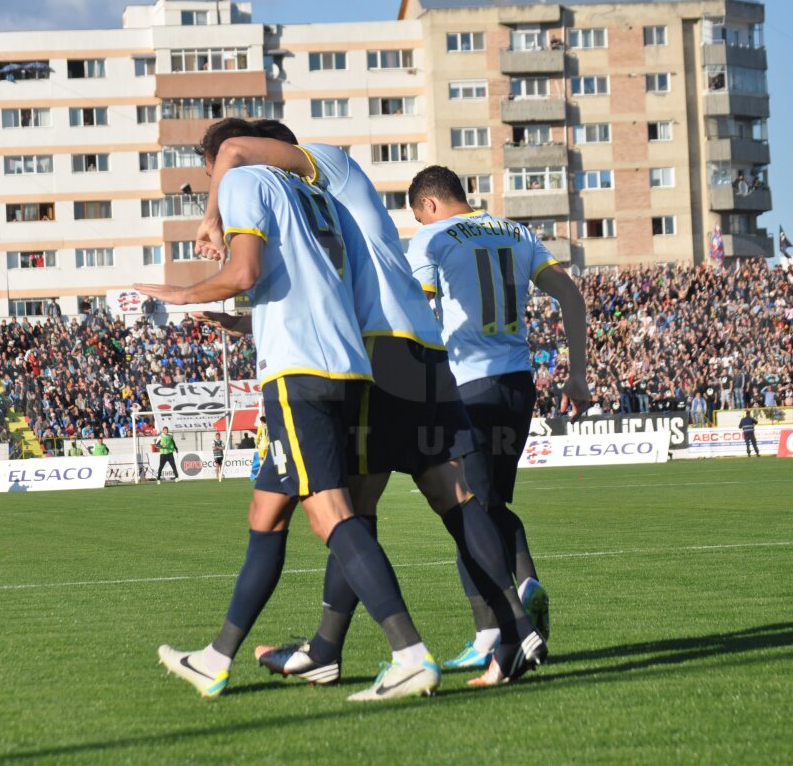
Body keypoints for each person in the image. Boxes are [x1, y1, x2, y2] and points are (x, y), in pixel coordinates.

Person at [193, 122, 551, 689]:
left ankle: (363, 650)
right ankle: (513, 631)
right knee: (447, 491)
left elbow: (238, 153)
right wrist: (244, 321)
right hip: (417, 344)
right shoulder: (310, 201)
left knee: (348, 509)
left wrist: (214, 216)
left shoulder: (319, 168)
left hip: (378, 350)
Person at [135, 118, 440, 701]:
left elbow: (243, 273)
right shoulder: (312, 192)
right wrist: (242, 319)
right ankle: (217, 657)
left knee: (329, 514)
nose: (214, 184)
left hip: (299, 371)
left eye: (211, 173)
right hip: (345, 363)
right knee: (267, 511)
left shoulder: (247, 181)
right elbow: (302, 285)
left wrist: (175, 294)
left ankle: (409, 654)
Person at [405, 165, 589, 680]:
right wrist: (577, 375)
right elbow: (571, 295)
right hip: (517, 383)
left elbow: (418, 309)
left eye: (418, 213)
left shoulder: (431, 237)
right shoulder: (517, 231)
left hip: (468, 385)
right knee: (488, 505)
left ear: (429, 205)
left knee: (468, 509)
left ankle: (502, 628)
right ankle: (510, 611)